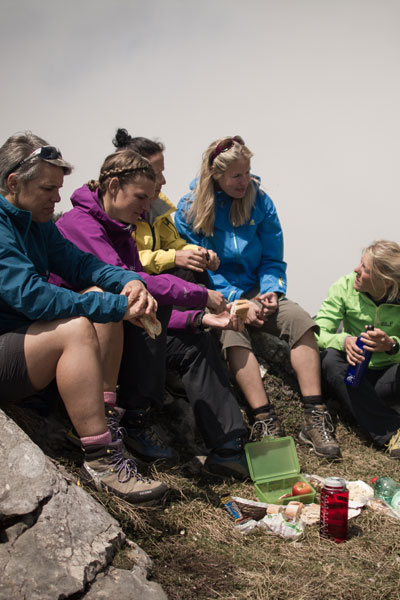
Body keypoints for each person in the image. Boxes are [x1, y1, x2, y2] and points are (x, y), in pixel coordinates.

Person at [53, 148, 250, 479]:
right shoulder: (80, 224)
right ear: (113, 186)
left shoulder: (121, 226)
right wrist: (202, 296)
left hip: (123, 329)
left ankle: (228, 448)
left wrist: (198, 318)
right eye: (141, 197)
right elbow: (131, 285)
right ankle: (129, 419)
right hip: (83, 337)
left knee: (195, 345)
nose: (147, 208)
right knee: (142, 309)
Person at [0, 132, 168, 505]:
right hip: (7, 344)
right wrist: (115, 307)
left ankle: (102, 420)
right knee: (78, 327)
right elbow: (31, 296)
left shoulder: (36, 222)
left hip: (20, 341)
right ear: (13, 182)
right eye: (48, 188)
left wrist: (128, 281)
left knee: (96, 297)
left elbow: (81, 265)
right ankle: (102, 461)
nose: (57, 198)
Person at [175, 135, 340, 459]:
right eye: (236, 175)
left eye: (247, 172)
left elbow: (273, 257)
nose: (244, 181)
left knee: (301, 322)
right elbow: (202, 268)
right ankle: (264, 419)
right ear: (216, 174)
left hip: (257, 288)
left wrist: (271, 291)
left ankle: (314, 415)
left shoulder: (260, 201)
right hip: (218, 292)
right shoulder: (190, 209)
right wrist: (239, 301)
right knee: (233, 333)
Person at [314, 240, 400, 458]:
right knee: (331, 359)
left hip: (386, 376)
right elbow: (317, 332)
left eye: (365, 269)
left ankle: (364, 409)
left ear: (386, 282)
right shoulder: (343, 287)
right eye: (360, 264)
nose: (356, 270)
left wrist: (392, 345)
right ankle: (391, 434)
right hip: (353, 373)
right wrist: (344, 341)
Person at [112, 128, 219, 285]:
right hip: (134, 284)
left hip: (156, 278)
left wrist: (197, 253)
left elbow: (171, 242)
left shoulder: (158, 205)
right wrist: (174, 257)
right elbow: (128, 260)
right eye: (156, 175)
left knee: (194, 269)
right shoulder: (117, 212)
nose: (163, 181)